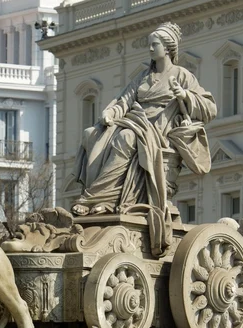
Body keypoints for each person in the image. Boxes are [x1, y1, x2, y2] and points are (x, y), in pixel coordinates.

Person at [71, 22, 217, 256]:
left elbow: (210, 108)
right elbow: (124, 100)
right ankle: (104, 201)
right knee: (93, 134)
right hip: (136, 120)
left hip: (160, 130)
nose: (150, 49)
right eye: (149, 44)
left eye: (155, 44)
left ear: (168, 47)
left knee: (126, 138)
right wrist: (111, 113)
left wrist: (186, 95)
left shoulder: (182, 76)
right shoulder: (142, 77)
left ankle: (98, 198)